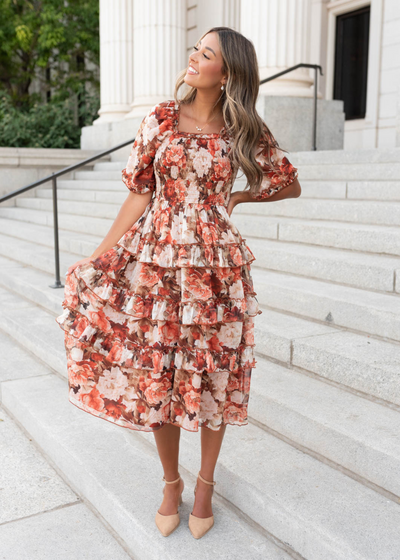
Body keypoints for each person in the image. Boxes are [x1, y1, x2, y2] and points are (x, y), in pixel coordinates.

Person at [55, 26, 301, 540]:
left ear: (227, 72)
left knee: (213, 373)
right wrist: (97, 257)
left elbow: (288, 182)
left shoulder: (244, 131)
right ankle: (171, 482)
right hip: (158, 265)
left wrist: (238, 200)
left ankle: (205, 484)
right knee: (157, 372)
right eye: (195, 48)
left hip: (217, 270)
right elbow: (139, 196)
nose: (193, 57)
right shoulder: (161, 119)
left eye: (205, 53)